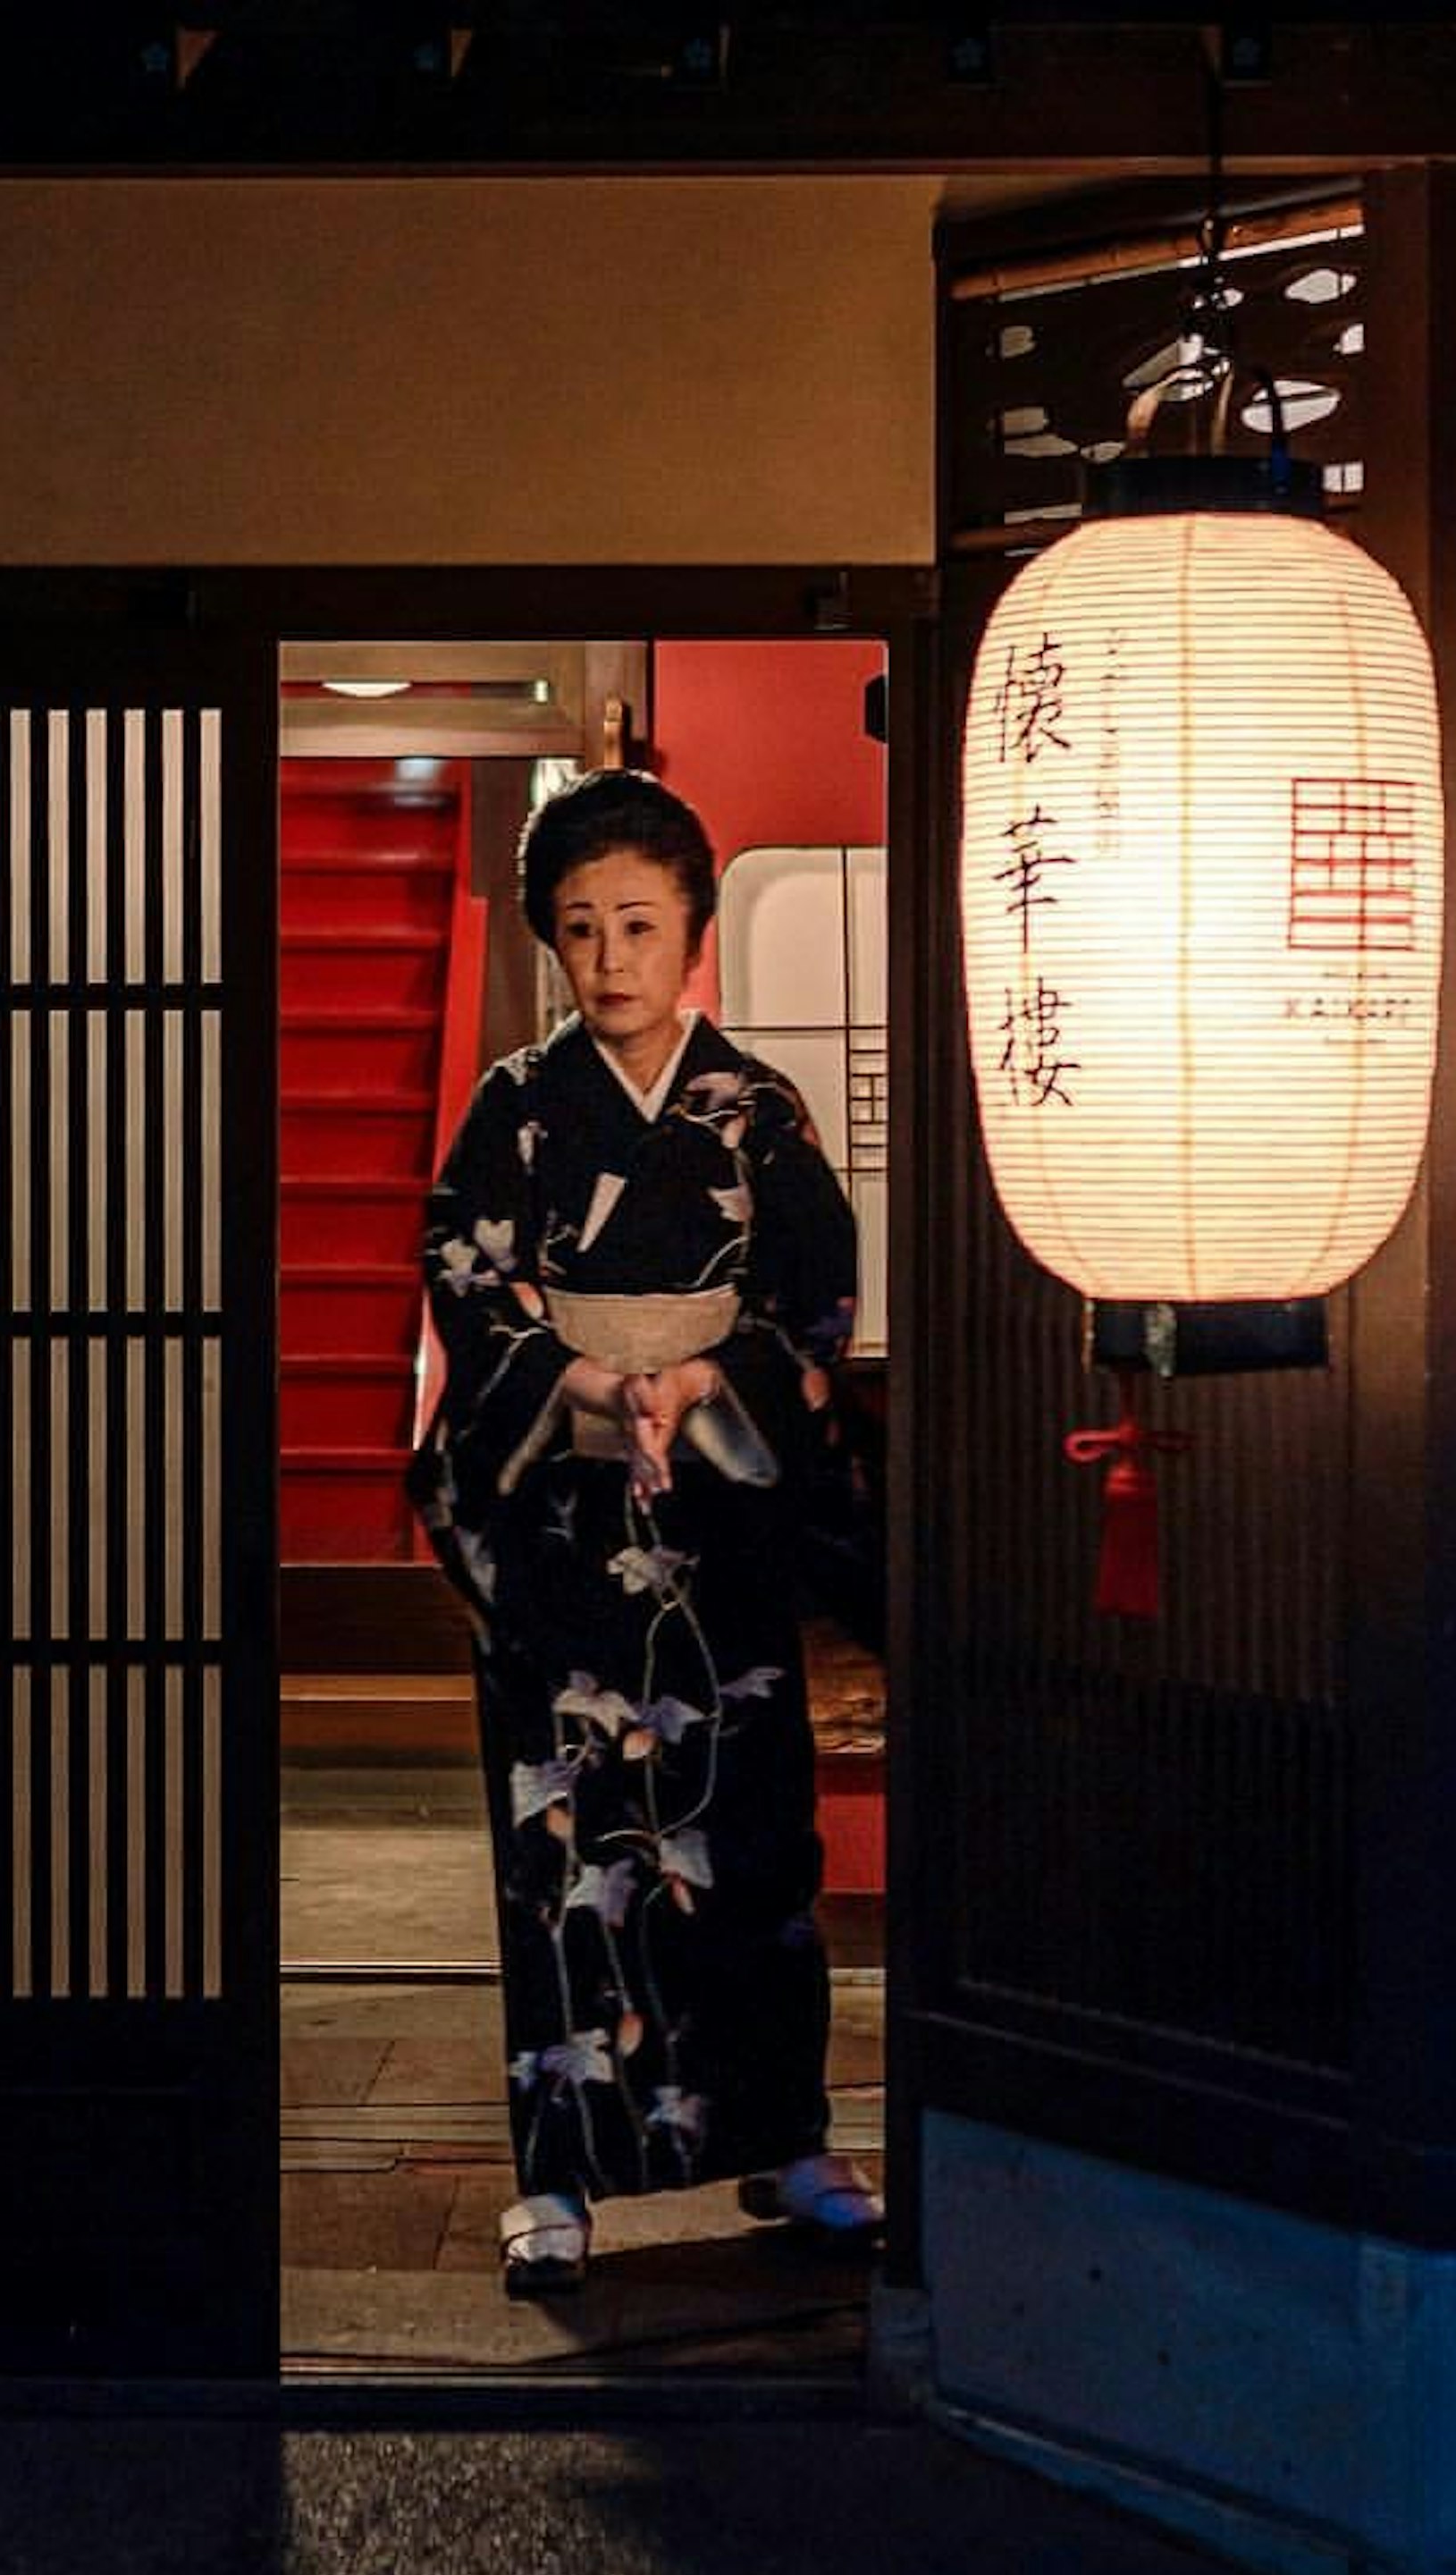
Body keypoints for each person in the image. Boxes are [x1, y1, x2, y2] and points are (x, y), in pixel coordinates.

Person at [415, 771, 883, 2296]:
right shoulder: (516, 1106)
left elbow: (813, 1295)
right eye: (579, 928)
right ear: (552, 945)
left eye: (638, 922)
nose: (609, 957)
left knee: (750, 1834)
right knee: (564, 1847)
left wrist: (701, 1378)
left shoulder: (755, 1108)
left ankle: (788, 2141)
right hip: (564, 1514)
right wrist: (583, 1384)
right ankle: (559, 2176)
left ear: (691, 931)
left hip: (717, 1519)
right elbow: (469, 1279)